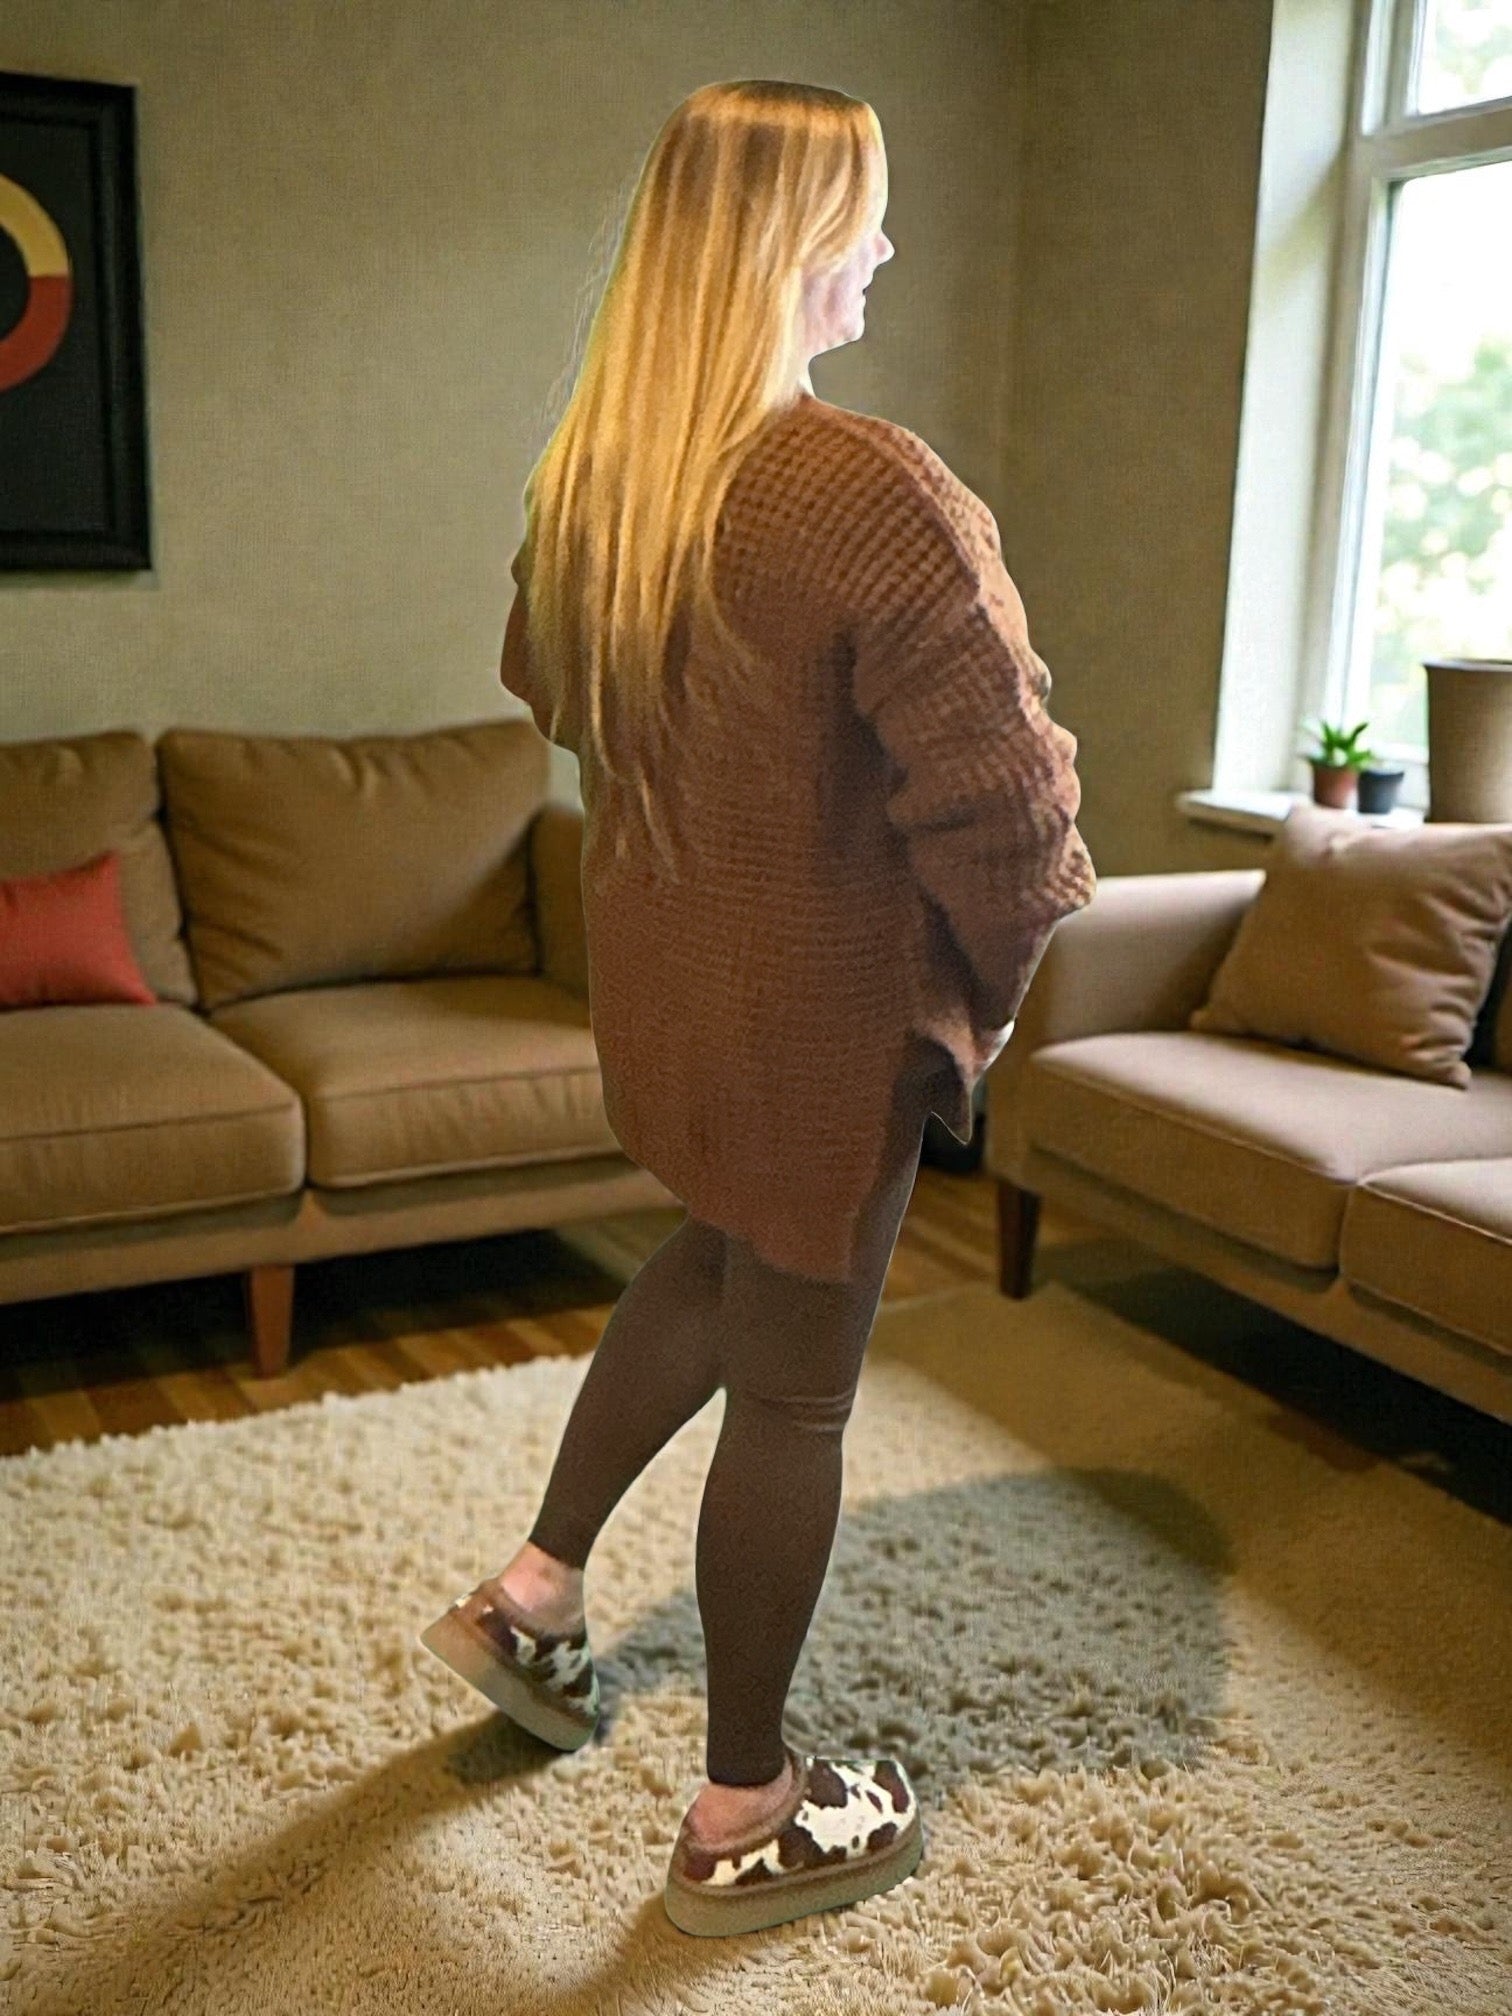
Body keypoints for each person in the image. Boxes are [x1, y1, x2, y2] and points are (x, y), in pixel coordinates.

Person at [421, 78, 1096, 1937]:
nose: (886, 245)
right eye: (865, 214)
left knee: (721, 1261)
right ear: (793, 242)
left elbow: (546, 679)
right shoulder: (867, 490)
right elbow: (1015, 820)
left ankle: (535, 1597)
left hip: (679, 1001)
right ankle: (745, 1810)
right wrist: (983, 1004)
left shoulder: (599, 484)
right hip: (821, 1030)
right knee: (797, 1393)